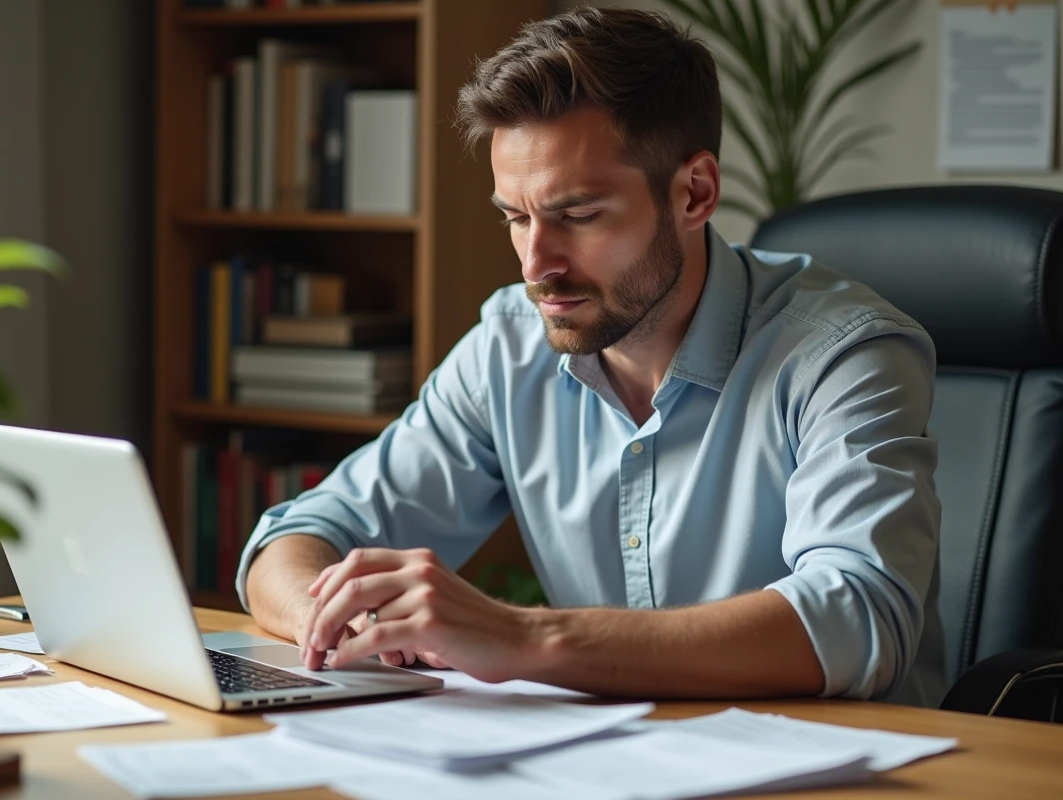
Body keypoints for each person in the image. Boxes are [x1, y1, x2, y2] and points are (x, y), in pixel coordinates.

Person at [236, 6, 946, 706]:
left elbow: (857, 615)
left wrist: (525, 637)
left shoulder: (842, 354)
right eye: (516, 217)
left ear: (694, 192)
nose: (535, 264)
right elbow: (298, 538)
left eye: (577, 216)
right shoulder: (509, 348)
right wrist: (342, 622)